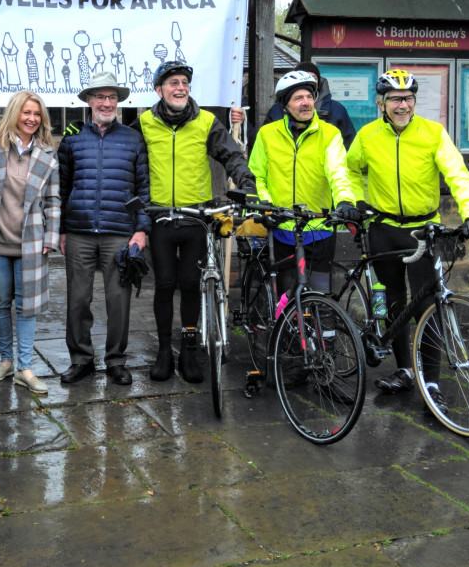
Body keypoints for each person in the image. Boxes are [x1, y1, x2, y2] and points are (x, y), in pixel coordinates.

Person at [346, 69, 469, 416]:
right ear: (382, 103)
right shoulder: (367, 136)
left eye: (408, 98)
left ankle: (432, 381)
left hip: (424, 230)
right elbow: (350, 170)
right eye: (395, 99)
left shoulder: (432, 133)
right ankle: (406, 370)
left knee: (429, 304)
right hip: (383, 228)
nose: (403, 105)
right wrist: (355, 200)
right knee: (396, 301)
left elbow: (457, 173)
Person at [136, 61, 255, 383]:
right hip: (160, 216)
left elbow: (231, 155)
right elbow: (129, 160)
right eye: (173, 82)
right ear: (159, 90)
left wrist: (245, 183)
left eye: (185, 82)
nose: (180, 88)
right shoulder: (145, 123)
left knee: (190, 285)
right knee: (163, 286)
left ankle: (189, 349)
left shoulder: (206, 122)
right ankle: (164, 350)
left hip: (195, 218)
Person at [57, 71, 150, 386]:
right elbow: (62, 185)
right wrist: (60, 230)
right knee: (78, 300)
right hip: (80, 231)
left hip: (119, 232)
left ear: (118, 102)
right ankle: (81, 360)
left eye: (112, 97)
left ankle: (116, 361)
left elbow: (143, 189)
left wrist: (141, 230)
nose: (106, 102)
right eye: (100, 96)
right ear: (88, 100)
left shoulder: (133, 138)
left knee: (118, 301)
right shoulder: (72, 137)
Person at [0, 91, 60, 394]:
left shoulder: (47, 153)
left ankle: (24, 367)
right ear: (14, 114)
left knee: (27, 307)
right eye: (26, 113)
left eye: (37, 114)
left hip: (30, 243)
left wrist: (51, 235)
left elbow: (53, 200)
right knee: (0, 303)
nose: (32, 119)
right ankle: (6, 360)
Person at [249, 69, 359, 303]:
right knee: (287, 299)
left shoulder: (330, 134)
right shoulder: (267, 134)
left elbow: (338, 171)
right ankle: (286, 339)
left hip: (319, 226)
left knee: (321, 296)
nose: (306, 102)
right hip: (281, 226)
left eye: (309, 97)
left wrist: (345, 200)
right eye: (299, 98)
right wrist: (265, 204)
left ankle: (324, 339)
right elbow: (257, 175)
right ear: (285, 105)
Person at [262, 61, 356, 148]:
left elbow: (349, 144)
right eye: (298, 98)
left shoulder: (336, 111)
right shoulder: (276, 109)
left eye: (313, 77)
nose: (305, 103)